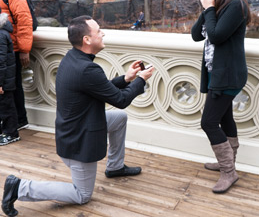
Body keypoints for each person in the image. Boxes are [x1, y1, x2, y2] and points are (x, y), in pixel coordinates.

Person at [1, 15, 154, 216]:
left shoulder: (73, 58)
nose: (103, 33)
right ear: (87, 40)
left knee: (119, 119)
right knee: (82, 194)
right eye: (98, 31)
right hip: (79, 141)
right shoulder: (87, 69)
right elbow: (121, 100)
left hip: (79, 128)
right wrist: (141, 80)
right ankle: (20, 187)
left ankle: (115, 167)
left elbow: (102, 89)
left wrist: (126, 78)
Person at [191, 0, 251, 194]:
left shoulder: (236, 6)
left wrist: (209, 9)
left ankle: (229, 171)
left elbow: (215, 37)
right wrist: (206, 7)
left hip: (228, 75)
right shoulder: (217, 5)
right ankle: (228, 164)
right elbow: (197, 35)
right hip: (218, 73)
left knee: (208, 122)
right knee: (225, 119)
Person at [0, 0, 33, 131]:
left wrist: (24, 49)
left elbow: (24, 19)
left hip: (11, 48)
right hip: (3, 47)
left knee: (12, 86)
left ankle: (20, 120)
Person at [0, 11, 20, 146]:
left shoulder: (1, 35)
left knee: (7, 107)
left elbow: (1, 62)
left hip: (4, 80)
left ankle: (12, 134)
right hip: (4, 79)